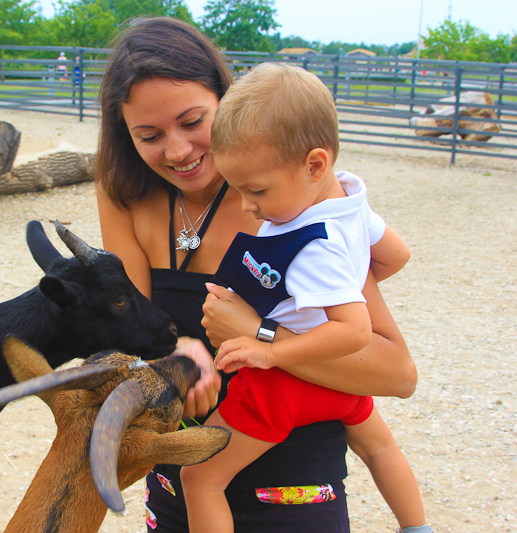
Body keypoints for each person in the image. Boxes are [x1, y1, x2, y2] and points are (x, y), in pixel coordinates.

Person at [95, 17, 417, 533]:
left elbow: (396, 373)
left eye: (193, 121)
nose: (177, 151)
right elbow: (131, 329)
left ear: (230, 102)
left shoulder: (292, 204)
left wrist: (260, 334)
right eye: (149, 135)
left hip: (295, 492)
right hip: (180, 485)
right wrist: (173, 348)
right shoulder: (122, 193)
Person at [178, 63, 431, 533]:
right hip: (343, 387)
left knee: (200, 477)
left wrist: (271, 350)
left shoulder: (312, 241)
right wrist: (346, 281)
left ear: (314, 164)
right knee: (379, 447)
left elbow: (354, 330)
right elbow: (396, 256)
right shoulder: (350, 199)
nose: (248, 206)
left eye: (256, 190)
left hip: (286, 386)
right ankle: (417, 526)